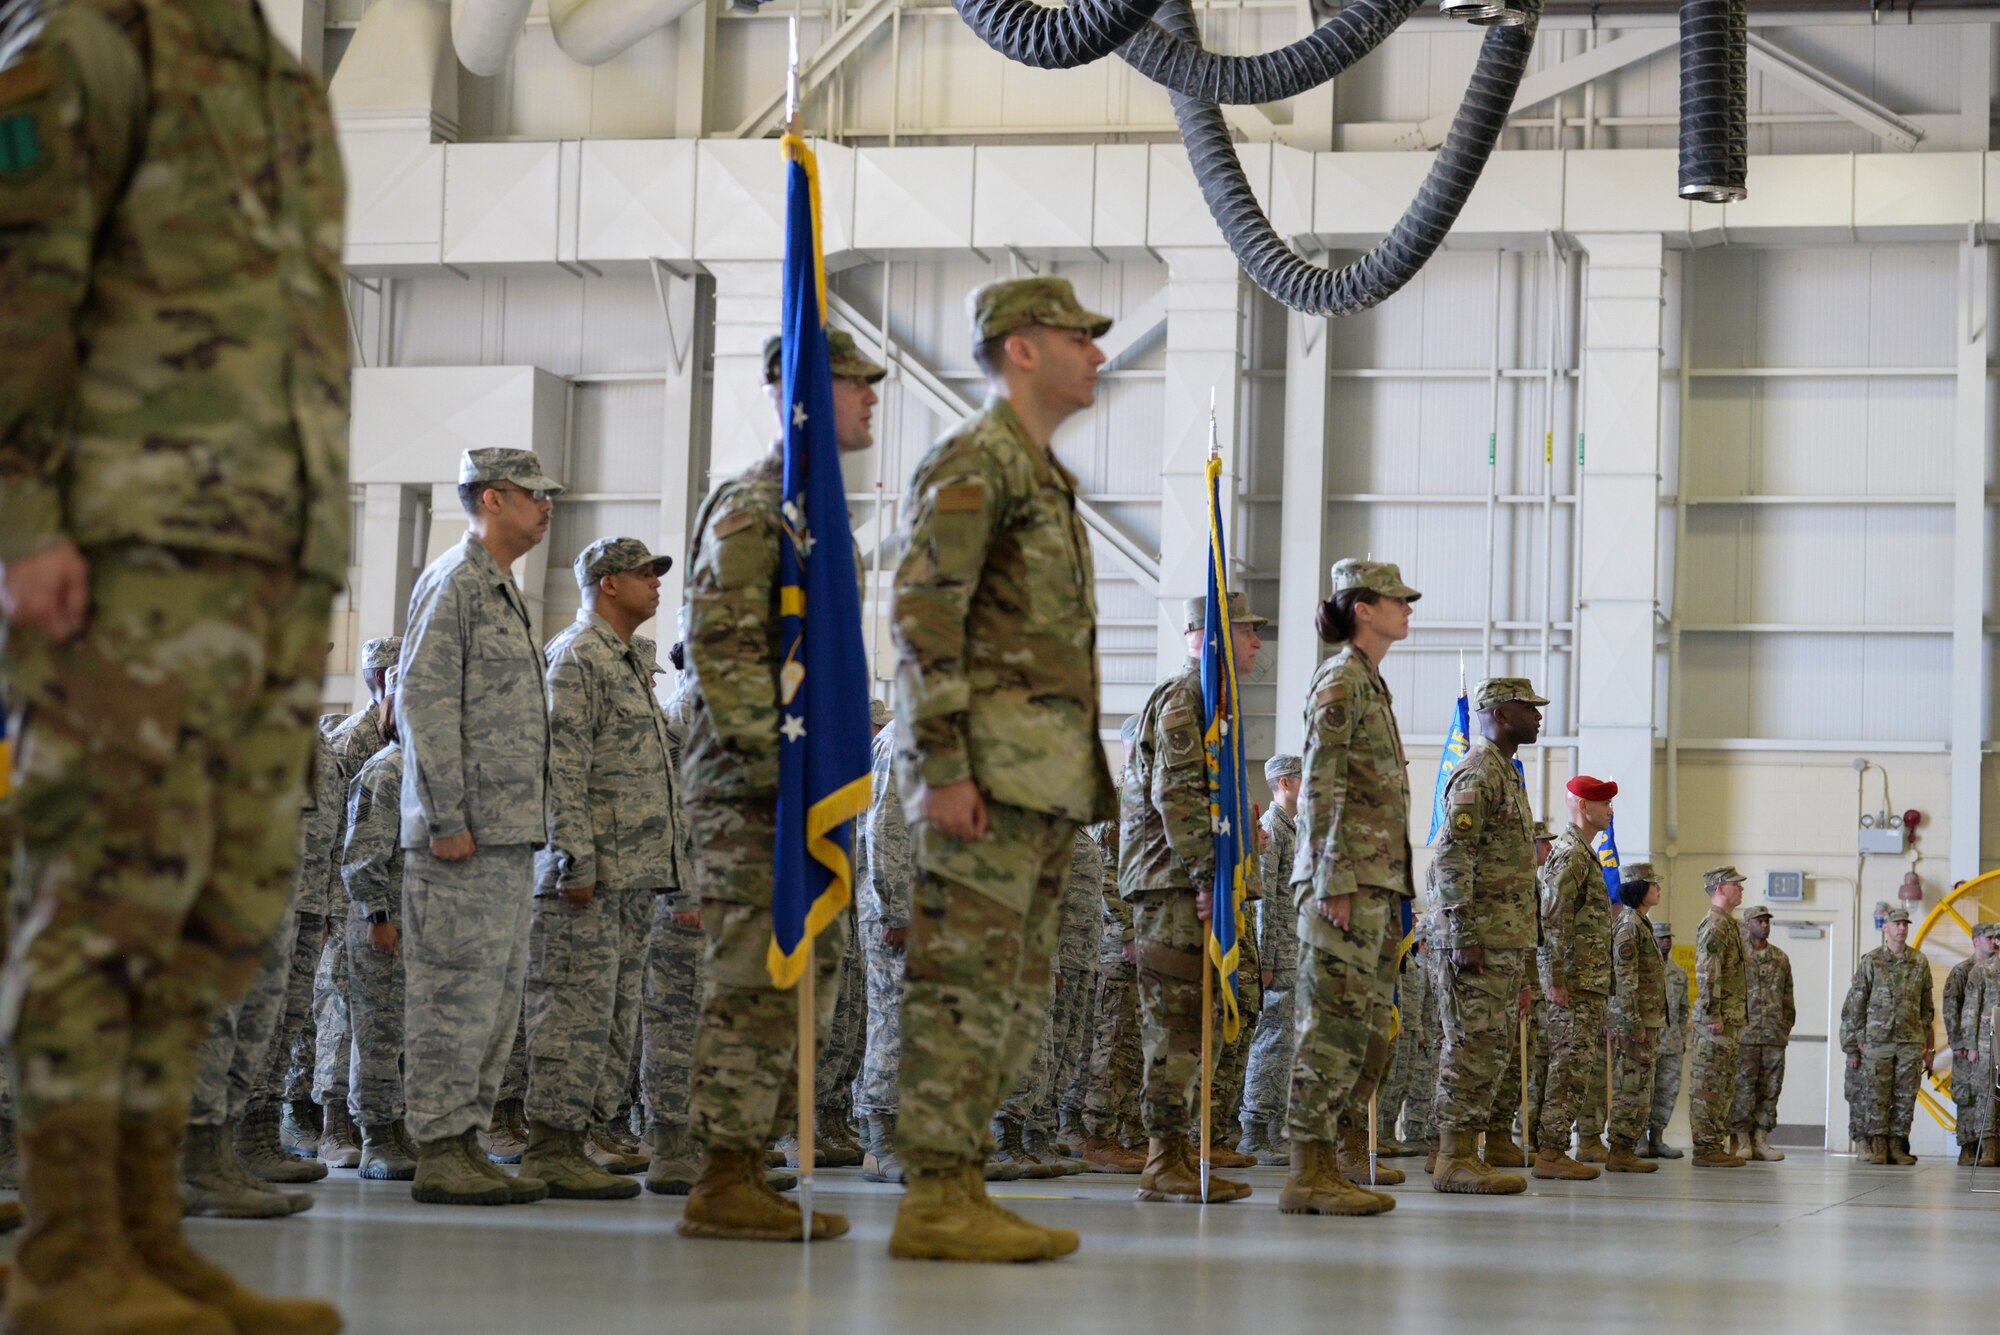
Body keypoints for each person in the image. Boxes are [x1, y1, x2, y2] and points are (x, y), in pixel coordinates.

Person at [0, 0, 352, 1319]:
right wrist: (21, 518)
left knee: (214, 913)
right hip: (128, 550)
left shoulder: (268, 68)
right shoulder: (93, 32)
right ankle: (69, 1252)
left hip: (268, 562)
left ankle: (147, 1235)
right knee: (103, 902)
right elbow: (17, 272)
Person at [889, 276, 1118, 1262]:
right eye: (1080, 337)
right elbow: (923, 616)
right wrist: (942, 766)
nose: (1097, 354)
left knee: (1013, 991)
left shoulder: (1037, 473)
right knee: (963, 984)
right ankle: (933, 1196)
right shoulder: (975, 462)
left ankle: (963, 1182)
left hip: (1042, 781)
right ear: (1021, 348)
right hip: (985, 774)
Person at [676, 329, 884, 1241]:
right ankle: (720, 1175)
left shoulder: (817, 515)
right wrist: (780, 779)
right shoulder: (755, 506)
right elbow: (724, 657)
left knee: (803, 980)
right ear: (797, 391)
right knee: (753, 978)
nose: (871, 398)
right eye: (853, 383)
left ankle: (750, 1165)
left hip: (798, 796)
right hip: (753, 793)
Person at [398, 446, 563, 1207]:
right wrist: (446, 816)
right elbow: (424, 701)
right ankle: (438, 1145)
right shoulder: (456, 580)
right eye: (535, 494)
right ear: (492, 498)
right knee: (452, 994)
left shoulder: (503, 589)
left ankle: (465, 1139)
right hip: (461, 836)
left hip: (505, 836)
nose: (547, 506)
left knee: (492, 1000)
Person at [521, 537, 682, 1201]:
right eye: (645, 574)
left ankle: (583, 1136)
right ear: (608, 583)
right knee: (572, 1011)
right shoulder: (578, 655)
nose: (656, 585)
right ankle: (550, 1146)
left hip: (631, 872)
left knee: (613, 1017)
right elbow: (562, 766)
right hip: (586, 875)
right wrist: (572, 857)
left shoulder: (624, 663)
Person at [1281, 559, 1420, 1217]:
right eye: (1398, 599)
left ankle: (1331, 1160)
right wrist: (1331, 877)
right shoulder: (1341, 682)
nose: (1407, 608)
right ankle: (1306, 1171)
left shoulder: (1371, 684)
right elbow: (1319, 783)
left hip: (1375, 884)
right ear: (1363, 607)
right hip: (1345, 884)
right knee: (1331, 1027)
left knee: (1366, 1032)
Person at [1120, 593, 1267, 1208]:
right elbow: (1175, 795)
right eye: (1247, 631)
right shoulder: (1186, 698)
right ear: (1211, 636)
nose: (1257, 642)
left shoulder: (1214, 702)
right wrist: (1208, 876)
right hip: (1174, 884)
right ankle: (1162, 1159)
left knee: (1195, 1026)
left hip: (1186, 881)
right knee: (1175, 1027)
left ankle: (1180, 1155)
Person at [1426, 678, 1545, 1195]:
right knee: (1470, 1045)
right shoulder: (1478, 771)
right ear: (1497, 712)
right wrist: (1463, 931)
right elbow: (1452, 854)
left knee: (1490, 1048)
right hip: (1477, 938)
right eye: (1528, 708)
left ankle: (1465, 1150)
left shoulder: (1506, 773)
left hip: (1503, 939)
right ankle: (1452, 1157)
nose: (1538, 716)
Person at [340, 665, 417, 1182]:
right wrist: (377, 915)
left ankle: (401, 1130)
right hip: (382, 925)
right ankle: (375, 1139)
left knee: (404, 1034)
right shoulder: (385, 770)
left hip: (416, 926)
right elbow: (364, 853)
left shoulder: (423, 771)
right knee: (378, 1035)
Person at [1532, 776, 1617, 1183]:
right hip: (1573, 984)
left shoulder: (1584, 853)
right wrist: (1553, 978)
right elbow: (1553, 918)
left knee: (1576, 1068)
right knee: (1567, 1068)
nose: (1610, 810)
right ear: (1584, 806)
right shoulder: (1571, 855)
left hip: (1587, 982)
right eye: (1604, 803)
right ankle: (1550, 1151)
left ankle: (1553, 1148)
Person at [855, 699, 912, 1184]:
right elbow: (883, 826)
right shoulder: (901, 737)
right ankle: (879, 1139)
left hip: (932, 907)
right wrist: (895, 907)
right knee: (891, 1019)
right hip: (896, 908)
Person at [1840, 906, 1935, 1166]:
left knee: (1905, 1096)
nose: (1902, 928)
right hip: (1877, 1040)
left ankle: (1897, 1145)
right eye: (1897, 924)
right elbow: (1855, 1004)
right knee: (1876, 1094)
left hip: (1910, 1040)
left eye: (1905, 924)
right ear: (1886, 928)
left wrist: (1924, 1033)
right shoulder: (1872, 961)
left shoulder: (1919, 962)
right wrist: (1856, 1040)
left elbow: (1927, 1003)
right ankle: (1878, 1144)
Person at [1241, 754, 1301, 1164]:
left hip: (1290, 952)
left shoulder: (1291, 828)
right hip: (1275, 956)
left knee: (1282, 1046)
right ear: (1285, 782)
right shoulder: (1271, 829)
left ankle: (1271, 1128)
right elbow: (1265, 899)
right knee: (1269, 1044)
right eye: (1302, 778)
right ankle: (1255, 1131)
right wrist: (1265, 957)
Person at [1604, 863, 1666, 1174]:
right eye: (1653, 884)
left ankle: (1626, 1147)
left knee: (1641, 1088)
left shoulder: (1641, 924)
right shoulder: (1629, 925)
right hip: (1635, 1022)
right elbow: (1624, 978)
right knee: (1630, 1087)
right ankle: (1620, 1149)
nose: (1658, 889)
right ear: (1638, 889)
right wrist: (1632, 1022)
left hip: (1647, 1019)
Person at [1690, 866, 1749, 1167]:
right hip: (1716, 1020)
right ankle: (1705, 1147)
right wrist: (1713, 1012)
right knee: (1708, 1085)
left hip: (1729, 1019)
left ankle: (1714, 1144)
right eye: (1736, 885)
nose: (1741, 889)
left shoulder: (1728, 924)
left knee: (1723, 1084)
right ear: (1720, 889)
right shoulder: (1715, 925)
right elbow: (1707, 971)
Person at [1732, 905, 1796, 1162]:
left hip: (1773, 1036)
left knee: (1770, 1090)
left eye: (1767, 921)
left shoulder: (1780, 958)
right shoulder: (1738, 957)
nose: (1765, 925)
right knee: (1743, 1089)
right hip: (1745, 1036)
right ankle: (1742, 1140)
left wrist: (1783, 1026)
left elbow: (1788, 998)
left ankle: (1761, 1139)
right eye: (1759, 921)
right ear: (1747, 924)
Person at [1945, 924, 1999, 1165]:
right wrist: (1964, 1044)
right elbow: (1960, 1010)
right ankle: (1973, 1146)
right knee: (1973, 1096)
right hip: (1980, 1044)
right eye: (1990, 938)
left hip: (1982, 1044)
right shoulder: (1973, 970)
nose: (1993, 942)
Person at [1643, 920, 1691, 1159]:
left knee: (1666, 1092)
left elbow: (1683, 1009)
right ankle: (1638, 1139)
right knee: (1642, 1091)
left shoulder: (1678, 973)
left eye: (1668, 938)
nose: (1666, 942)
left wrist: (1682, 1036)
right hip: (1646, 1042)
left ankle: (1657, 1138)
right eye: (1661, 938)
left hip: (1671, 1044)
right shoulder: (1642, 970)